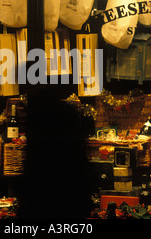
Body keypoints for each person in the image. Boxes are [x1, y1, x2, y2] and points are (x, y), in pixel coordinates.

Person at [18, 88, 94, 219]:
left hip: (43, 193)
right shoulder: (67, 113)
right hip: (72, 192)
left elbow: (33, 160)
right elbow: (80, 155)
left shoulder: (37, 118)